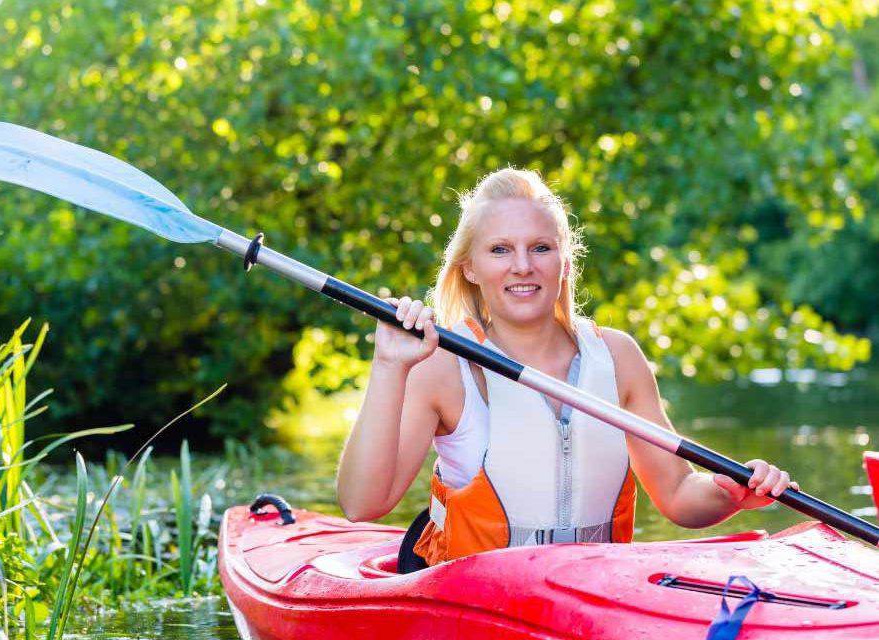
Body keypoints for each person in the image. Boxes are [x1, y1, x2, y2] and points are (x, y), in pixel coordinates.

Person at [335, 168, 797, 571]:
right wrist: (388, 366)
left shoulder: (617, 357)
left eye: (540, 248)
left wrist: (731, 493)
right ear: (470, 268)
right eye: (500, 250)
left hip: (588, 595)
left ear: (565, 261)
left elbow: (678, 495)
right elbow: (362, 504)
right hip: (473, 599)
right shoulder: (442, 364)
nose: (522, 266)